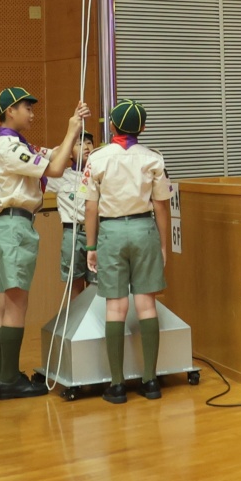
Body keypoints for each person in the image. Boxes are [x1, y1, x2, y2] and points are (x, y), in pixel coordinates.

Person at [0, 88, 88, 399]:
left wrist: (72, 137)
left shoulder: (19, 144)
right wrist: (72, 129)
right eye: (26, 108)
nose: (32, 114)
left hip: (8, 227)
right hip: (14, 228)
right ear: (10, 111)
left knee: (4, 305)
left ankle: (6, 376)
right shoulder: (9, 146)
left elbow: (54, 154)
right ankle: (8, 381)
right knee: (16, 304)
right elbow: (55, 169)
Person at [82, 99, 174, 404]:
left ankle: (118, 384)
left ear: (111, 126)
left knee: (116, 308)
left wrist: (91, 246)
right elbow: (162, 206)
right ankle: (150, 381)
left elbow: (90, 206)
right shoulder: (153, 158)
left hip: (110, 233)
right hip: (144, 230)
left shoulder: (97, 158)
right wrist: (163, 244)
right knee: (146, 305)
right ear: (143, 128)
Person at [52, 131, 96, 301]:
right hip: (73, 233)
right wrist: (61, 150)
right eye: (79, 143)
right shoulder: (59, 176)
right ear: (69, 152)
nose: (86, 147)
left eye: (89, 143)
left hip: (97, 233)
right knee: (74, 283)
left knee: (96, 283)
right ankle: (76, 317)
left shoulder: (100, 174)